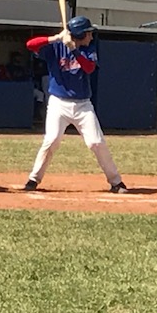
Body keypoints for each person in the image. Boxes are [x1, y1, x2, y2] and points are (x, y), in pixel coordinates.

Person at [23, 16, 128, 194]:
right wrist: (55, 38)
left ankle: (116, 182)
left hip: (83, 105)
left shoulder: (89, 48)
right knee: (51, 140)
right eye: (88, 33)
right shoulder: (56, 47)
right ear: (80, 34)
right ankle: (33, 179)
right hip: (58, 103)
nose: (91, 36)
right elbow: (30, 45)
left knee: (96, 142)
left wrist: (74, 50)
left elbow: (89, 68)